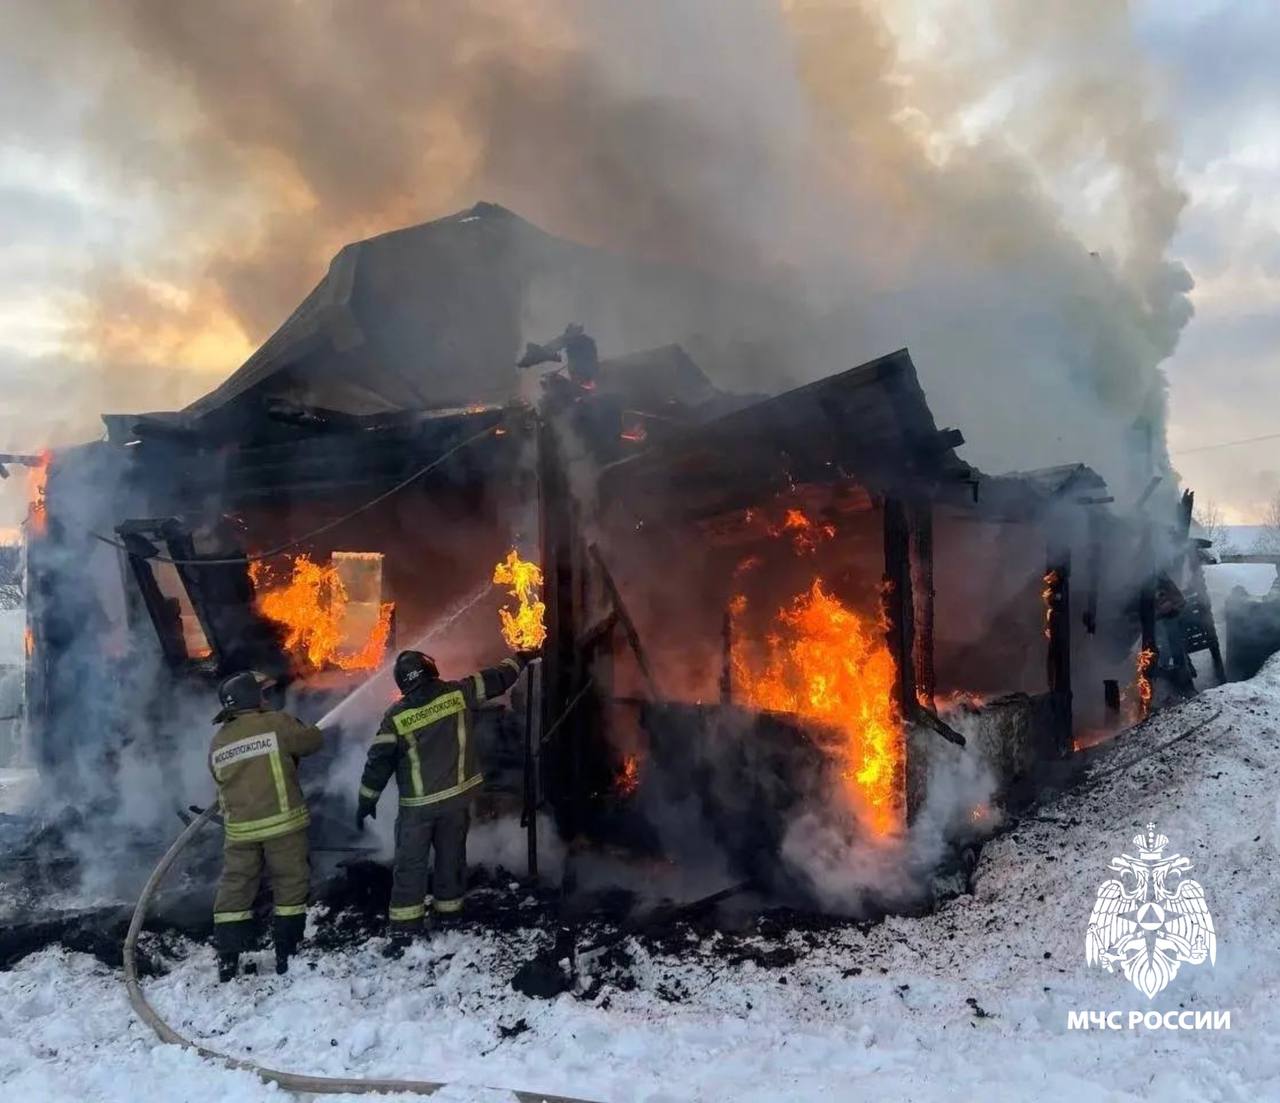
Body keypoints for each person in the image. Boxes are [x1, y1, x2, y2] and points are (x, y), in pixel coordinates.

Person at [356, 648, 532, 953]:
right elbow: (498, 679)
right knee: (451, 858)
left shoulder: (396, 717)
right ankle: (449, 916)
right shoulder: (458, 694)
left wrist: (366, 800)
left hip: (419, 807)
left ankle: (405, 930)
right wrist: (520, 658)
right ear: (430, 669)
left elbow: (378, 762)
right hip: (457, 800)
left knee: (410, 865)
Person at [208, 671, 323, 981]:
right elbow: (311, 742)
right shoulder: (275, 723)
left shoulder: (219, 740)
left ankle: (228, 960)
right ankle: (287, 953)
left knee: (235, 888)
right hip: (281, 825)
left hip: (240, 832)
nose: (265, 698)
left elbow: (219, 779)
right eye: (261, 693)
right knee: (290, 883)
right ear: (252, 699)